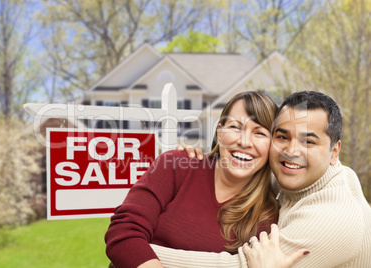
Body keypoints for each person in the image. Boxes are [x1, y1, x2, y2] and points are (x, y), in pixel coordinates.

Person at [151, 91, 371, 267]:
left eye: (309, 142)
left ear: (335, 152)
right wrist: (202, 159)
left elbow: (239, 266)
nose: (291, 151)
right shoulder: (294, 178)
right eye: (283, 137)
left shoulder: (334, 220)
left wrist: (139, 252)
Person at [105, 91, 285, 268]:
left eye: (260, 133)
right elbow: (123, 232)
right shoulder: (177, 165)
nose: (245, 142)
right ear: (220, 133)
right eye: (235, 127)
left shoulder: (266, 215)